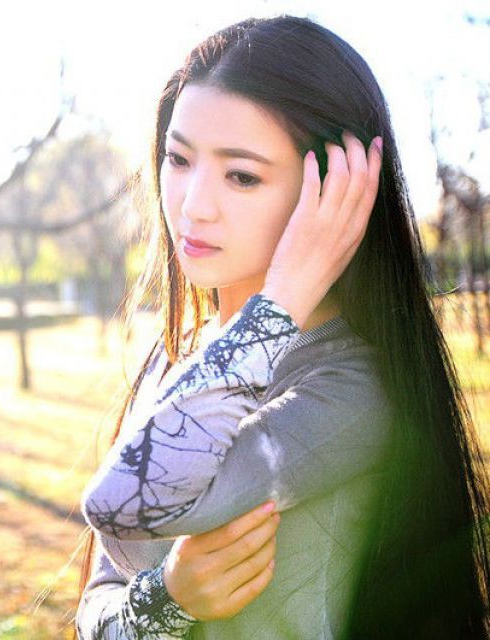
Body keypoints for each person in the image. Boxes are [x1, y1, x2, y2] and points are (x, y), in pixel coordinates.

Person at [73, 14, 490, 639]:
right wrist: (167, 600)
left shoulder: (350, 386)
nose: (193, 205)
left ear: (337, 193)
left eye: (242, 175)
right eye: (178, 159)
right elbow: (96, 606)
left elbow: (121, 504)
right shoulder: (180, 355)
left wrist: (286, 295)